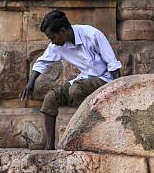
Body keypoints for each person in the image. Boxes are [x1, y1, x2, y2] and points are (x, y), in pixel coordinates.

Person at [20, 10, 122, 150]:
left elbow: (112, 63)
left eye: (53, 37)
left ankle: (94, 128)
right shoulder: (57, 46)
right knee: (51, 97)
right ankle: (49, 146)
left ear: (63, 31)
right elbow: (42, 62)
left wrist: (119, 90)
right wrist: (30, 83)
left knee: (76, 90)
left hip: (104, 79)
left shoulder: (91, 34)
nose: (52, 42)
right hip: (84, 79)